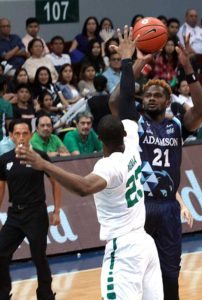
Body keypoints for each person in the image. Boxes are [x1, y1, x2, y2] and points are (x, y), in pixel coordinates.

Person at [16, 36, 164, 298]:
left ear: (99, 137)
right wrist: (131, 63)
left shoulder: (109, 166)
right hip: (145, 243)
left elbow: (84, 187)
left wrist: (44, 164)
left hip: (125, 252)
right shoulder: (131, 140)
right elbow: (124, 100)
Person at [109, 26, 202, 300]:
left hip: (166, 207)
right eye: (148, 94)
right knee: (135, 271)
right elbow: (116, 101)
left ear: (168, 101)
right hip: (138, 205)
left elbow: (201, 110)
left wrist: (189, 69)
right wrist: (133, 65)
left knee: (169, 272)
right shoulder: (134, 122)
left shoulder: (177, 125)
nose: (151, 97)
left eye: (157, 95)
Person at [0, 119, 61, 300]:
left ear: (31, 135)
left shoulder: (40, 156)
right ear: (11, 136)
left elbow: (55, 181)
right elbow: (1, 189)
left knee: (38, 256)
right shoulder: (4, 160)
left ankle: (45, 294)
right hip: (14, 215)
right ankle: (3, 293)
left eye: (25, 133)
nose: (21, 138)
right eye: (17, 134)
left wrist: (57, 210)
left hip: (36, 213)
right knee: (1, 253)